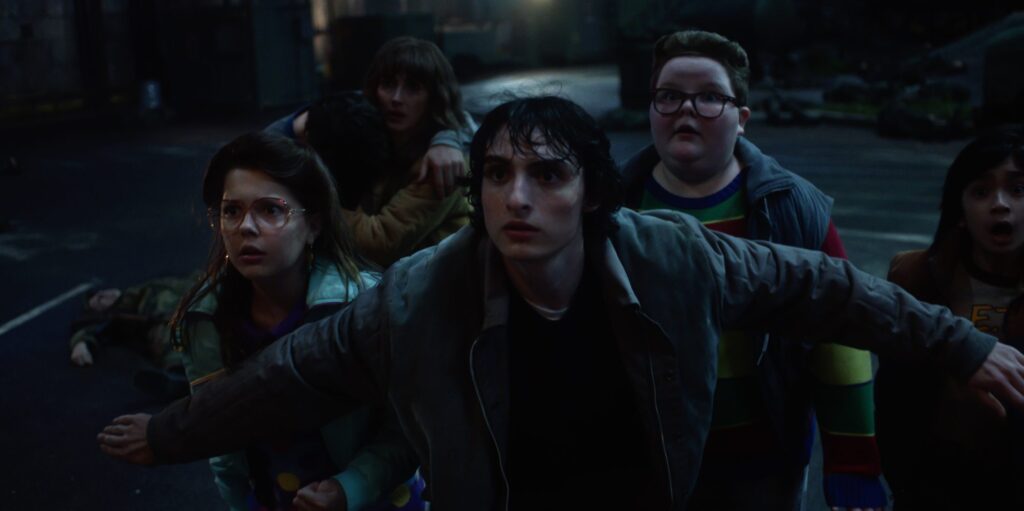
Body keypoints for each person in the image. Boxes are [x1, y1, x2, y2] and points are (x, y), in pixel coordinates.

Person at [98, 97, 1024, 511]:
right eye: (498, 174)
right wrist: (172, 430)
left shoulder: (675, 258)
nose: (517, 197)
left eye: (547, 174)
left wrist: (960, 344)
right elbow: (292, 376)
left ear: (591, 194)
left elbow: (824, 287)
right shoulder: (422, 293)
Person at [620, 30, 884, 510]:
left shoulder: (793, 209)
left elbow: (842, 328)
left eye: (708, 97)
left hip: (766, 466)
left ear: (741, 119)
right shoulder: (611, 205)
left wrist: (853, 460)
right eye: (670, 96)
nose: (686, 109)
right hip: (647, 463)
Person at [151, 131, 420, 511]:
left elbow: (407, 426)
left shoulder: (363, 305)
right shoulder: (206, 317)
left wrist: (349, 488)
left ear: (314, 225)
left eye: (270, 210)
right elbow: (219, 437)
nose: (246, 227)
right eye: (231, 211)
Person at [876, 127, 1024, 509]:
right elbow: (894, 399)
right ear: (959, 213)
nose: (1000, 204)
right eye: (981, 191)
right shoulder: (915, 276)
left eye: (1018, 189)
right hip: (935, 486)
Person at [267, 37, 475, 268]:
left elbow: (379, 243)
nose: (396, 98)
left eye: (413, 88)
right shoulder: (374, 133)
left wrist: (317, 198)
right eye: (388, 84)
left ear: (434, 98)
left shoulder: (442, 165)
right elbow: (274, 135)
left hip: (433, 281)